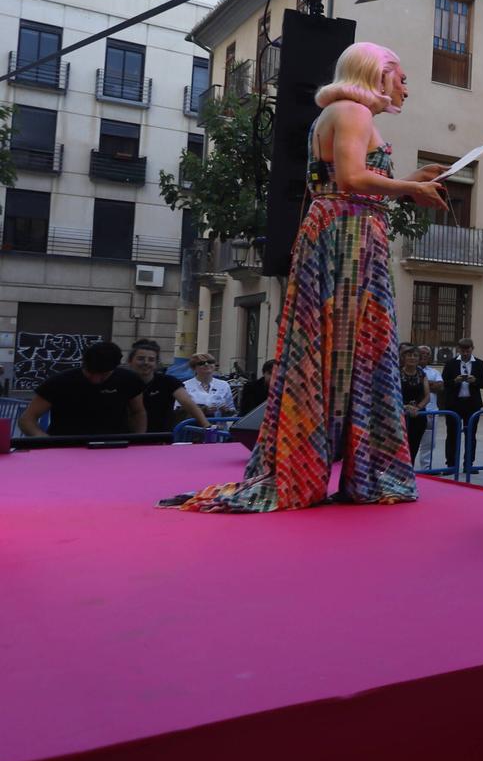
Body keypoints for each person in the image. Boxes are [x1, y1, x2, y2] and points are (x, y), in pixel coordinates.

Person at [170, 44, 446, 512]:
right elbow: (353, 179)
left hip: (347, 229)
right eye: (400, 74)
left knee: (347, 351)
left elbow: (351, 180)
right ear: (376, 73)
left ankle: (328, 467)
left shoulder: (346, 113)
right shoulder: (352, 111)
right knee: (357, 351)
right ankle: (364, 473)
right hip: (346, 236)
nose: (405, 85)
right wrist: (410, 188)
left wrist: (409, 183)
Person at [18, 340, 145, 438]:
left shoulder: (129, 380)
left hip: (115, 446)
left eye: (103, 375)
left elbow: (138, 412)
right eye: (91, 373)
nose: (95, 379)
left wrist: (138, 439)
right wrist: (43, 439)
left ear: (114, 368)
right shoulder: (59, 382)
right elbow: (27, 418)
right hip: (66, 447)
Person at [127, 339, 207, 435]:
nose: (146, 363)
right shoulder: (121, 381)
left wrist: (207, 426)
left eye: (151, 360)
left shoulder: (168, 382)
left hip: (161, 437)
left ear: (156, 363)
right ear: (130, 361)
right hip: (126, 437)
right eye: (140, 359)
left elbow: (189, 404)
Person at [439, 339, 483, 473]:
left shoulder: (480, 364)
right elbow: (444, 383)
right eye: (463, 350)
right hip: (454, 403)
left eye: (468, 350)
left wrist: (475, 381)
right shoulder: (450, 363)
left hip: (472, 404)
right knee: (452, 434)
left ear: (473, 348)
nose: (465, 353)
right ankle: (451, 465)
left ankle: (469, 464)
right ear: (458, 349)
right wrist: (455, 381)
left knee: (471, 434)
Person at [182, 351, 237, 421]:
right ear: (194, 368)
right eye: (201, 363)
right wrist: (203, 410)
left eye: (210, 362)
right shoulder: (185, 386)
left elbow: (232, 411)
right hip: (194, 427)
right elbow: (179, 412)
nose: (206, 364)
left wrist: (226, 410)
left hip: (219, 428)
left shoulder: (224, 385)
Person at [399, 346, 432, 460]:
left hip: (418, 415)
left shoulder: (422, 374)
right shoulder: (397, 373)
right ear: (403, 357)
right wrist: (404, 407)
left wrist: (417, 408)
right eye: (409, 355)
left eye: (415, 355)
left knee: (413, 447)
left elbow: (427, 396)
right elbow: (392, 394)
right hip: (399, 415)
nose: (412, 358)